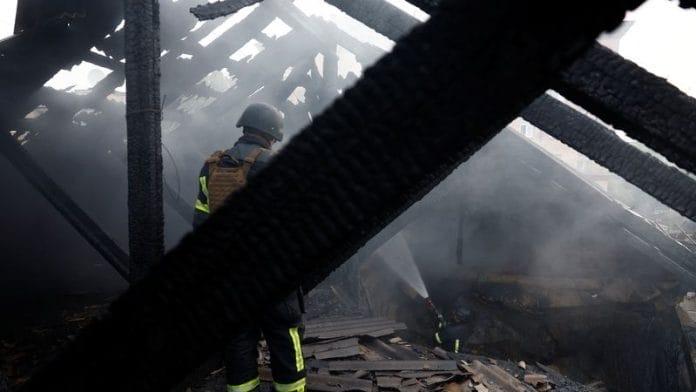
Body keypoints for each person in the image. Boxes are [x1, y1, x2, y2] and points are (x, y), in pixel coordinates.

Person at [193, 102, 306, 392]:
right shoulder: (272, 164)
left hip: (228, 274)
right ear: (272, 134)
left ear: (244, 127)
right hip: (271, 273)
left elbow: (201, 221)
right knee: (284, 335)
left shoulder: (213, 165)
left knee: (238, 338)